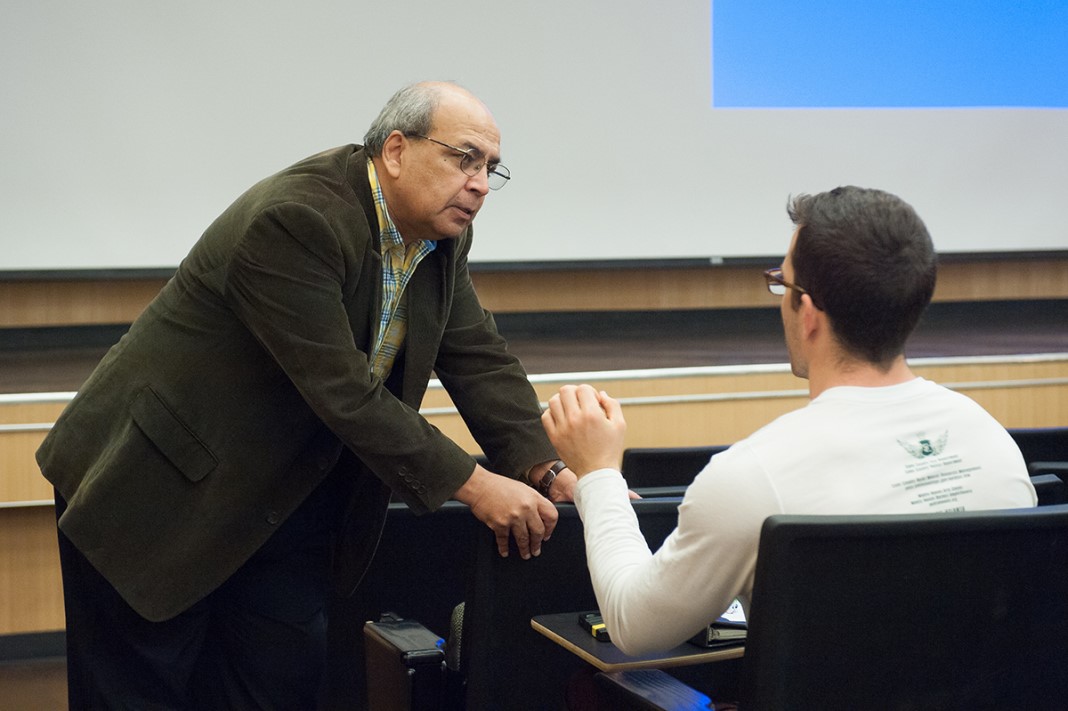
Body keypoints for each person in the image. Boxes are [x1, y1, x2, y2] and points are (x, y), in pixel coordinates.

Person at [37, 80, 577, 709]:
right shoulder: (297, 218)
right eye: (464, 159)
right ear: (396, 150)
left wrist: (546, 466)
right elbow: (342, 391)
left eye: (491, 167)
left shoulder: (439, 236)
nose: (481, 183)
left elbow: (478, 358)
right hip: (155, 491)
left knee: (276, 688)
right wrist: (477, 484)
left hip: (282, 502)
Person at [542, 186, 1036, 660]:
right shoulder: (994, 448)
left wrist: (598, 473)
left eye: (783, 282)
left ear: (809, 313)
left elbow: (633, 625)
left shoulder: (753, 478)